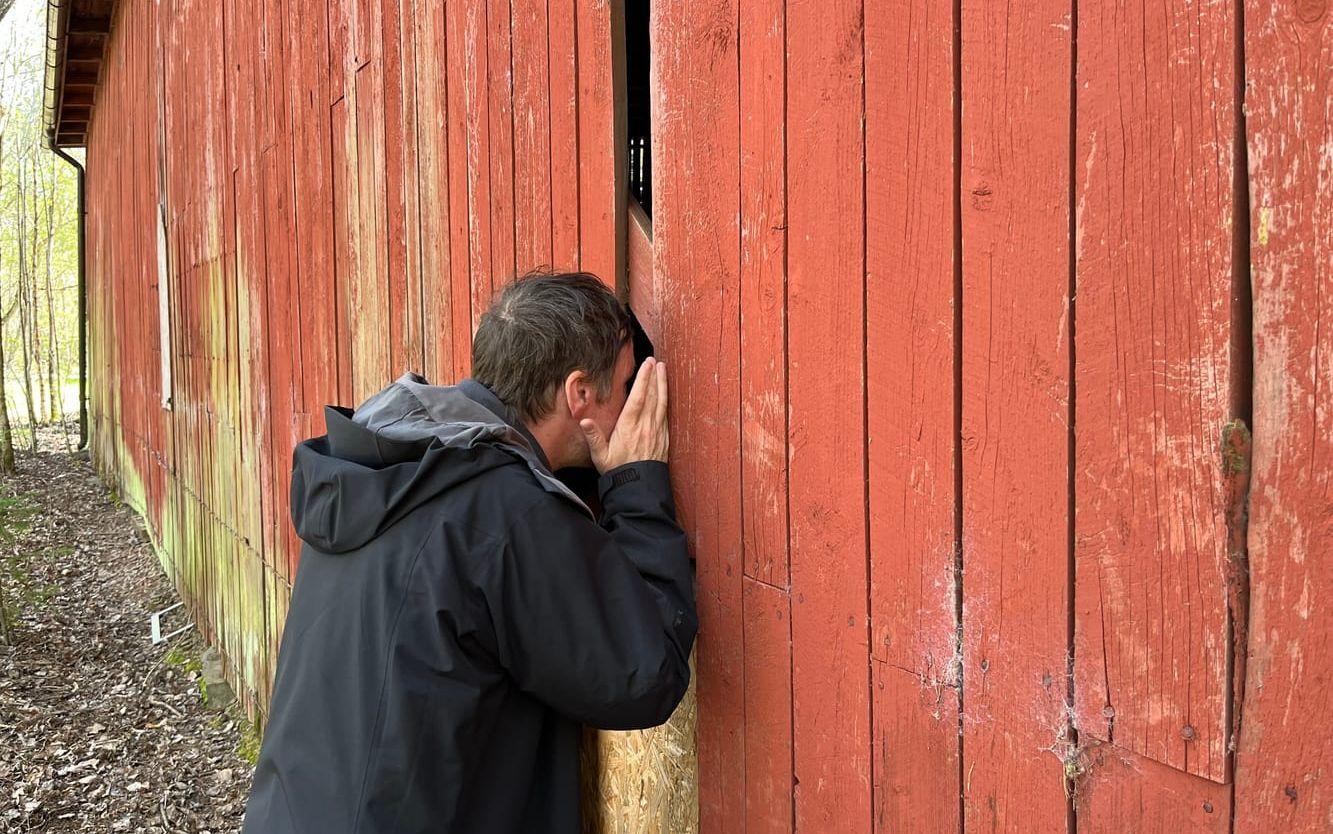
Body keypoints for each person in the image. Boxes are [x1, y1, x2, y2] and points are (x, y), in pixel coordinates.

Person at [241, 272, 696, 833]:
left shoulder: (395, 465)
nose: (632, 409)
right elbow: (644, 676)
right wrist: (636, 484)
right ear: (579, 394)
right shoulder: (505, 513)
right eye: (627, 388)